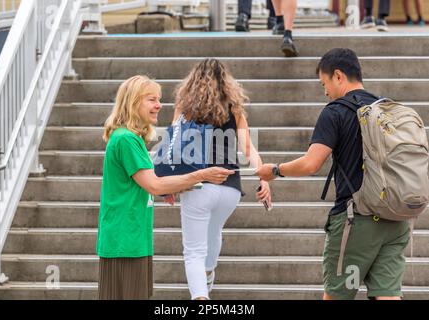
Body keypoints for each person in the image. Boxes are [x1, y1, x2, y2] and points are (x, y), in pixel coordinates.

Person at [256, 48, 410, 300]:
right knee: (388, 296)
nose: (325, 91)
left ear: (338, 76)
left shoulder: (335, 111)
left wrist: (275, 170)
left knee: (337, 296)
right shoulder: (388, 109)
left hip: (356, 221)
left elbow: (310, 164)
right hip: (395, 219)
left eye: (324, 83)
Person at [96, 75, 234, 300]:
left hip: (131, 239)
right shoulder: (126, 140)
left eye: (158, 99)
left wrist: (174, 186)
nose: (159, 105)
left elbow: (150, 184)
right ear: (133, 103)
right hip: (125, 241)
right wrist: (202, 175)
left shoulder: (130, 138)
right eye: (151, 99)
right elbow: (154, 185)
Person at [171, 59, 272, 300]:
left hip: (197, 184)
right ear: (226, 82)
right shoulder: (233, 108)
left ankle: (200, 297)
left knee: (194, 251)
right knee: (214, 231)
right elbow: (249, 150)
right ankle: (208, 275)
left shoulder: (185, 106)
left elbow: (174, 146)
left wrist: (171, 183)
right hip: (230, 188)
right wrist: (264, 179)